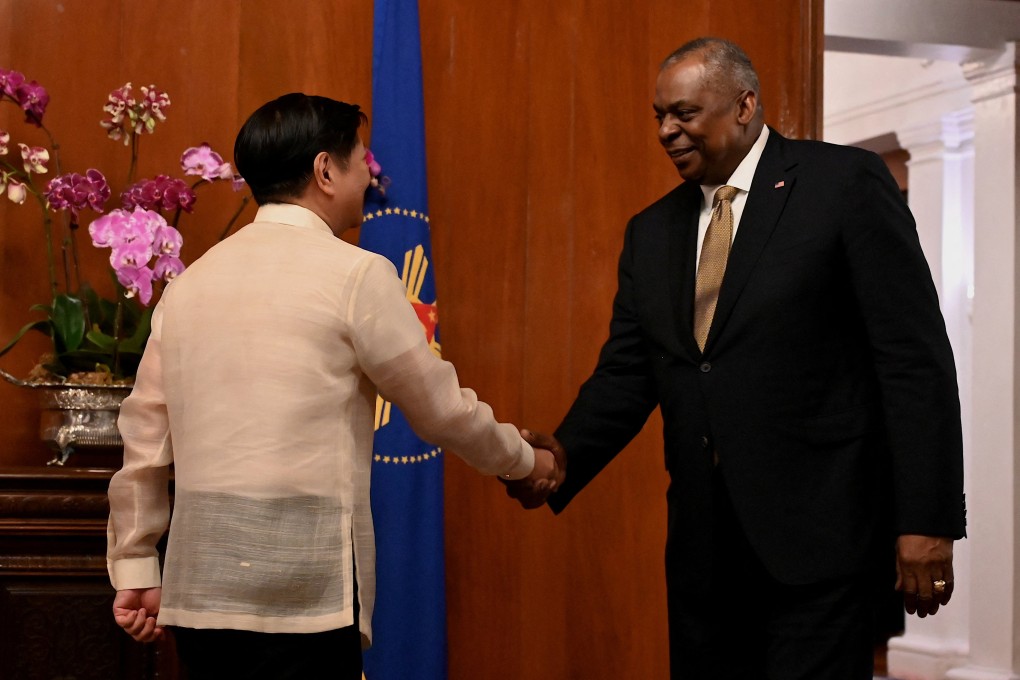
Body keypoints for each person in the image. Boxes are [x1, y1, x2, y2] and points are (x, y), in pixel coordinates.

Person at [508, 37, 965, 679]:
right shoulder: (652, 231)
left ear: (745, 105)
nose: (667, 131)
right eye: (659, 116)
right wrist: (561, 456)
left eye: (685, 113)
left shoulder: (843, 186)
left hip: (822, 548)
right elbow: (628, 373)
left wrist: (927, 518)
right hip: (704, 558)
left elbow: (914, 360)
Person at [106, 92, 558, 680]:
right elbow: (441, 412)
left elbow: (145, 437)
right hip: (306, 597)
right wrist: (524, 461)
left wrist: (136, 564)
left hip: (202, 593)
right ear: (325, 170)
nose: (369, 179)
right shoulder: (357, 274)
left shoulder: (189, 286)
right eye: (360, 163)